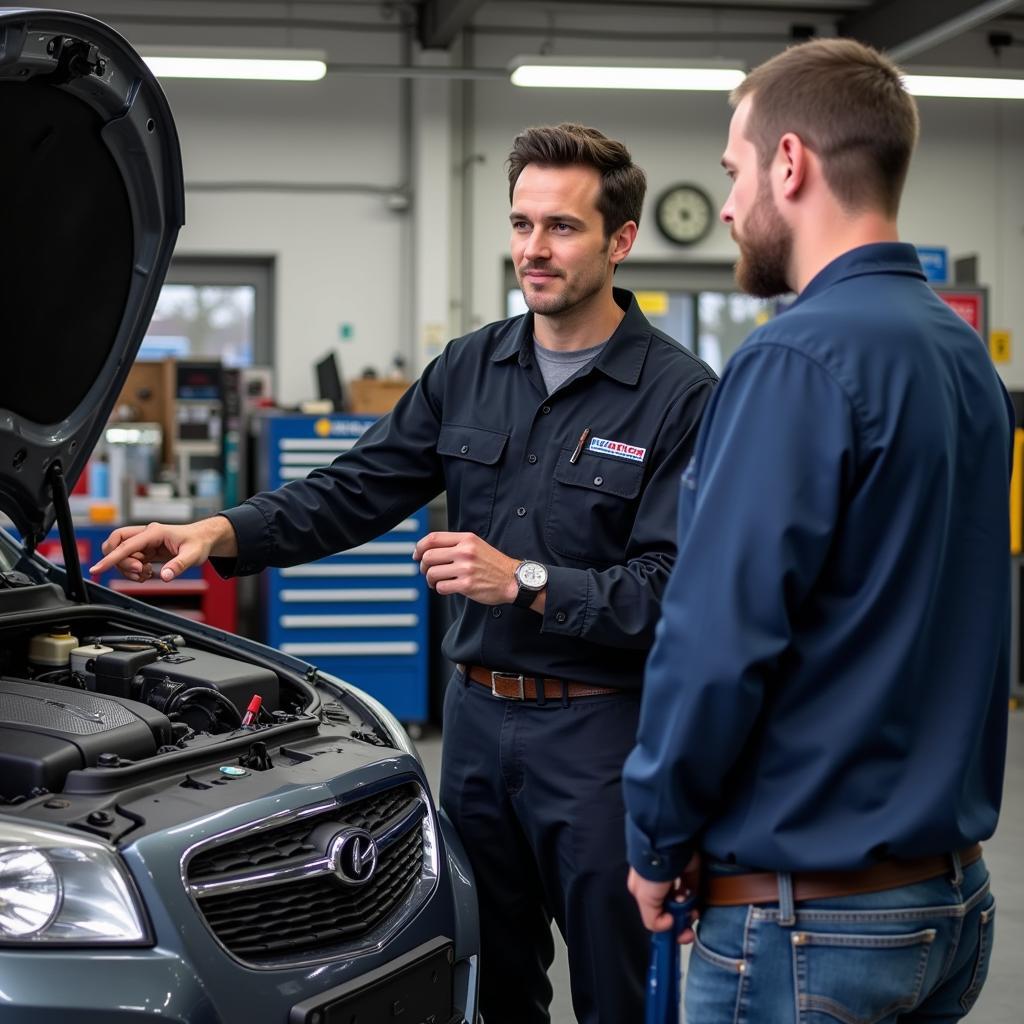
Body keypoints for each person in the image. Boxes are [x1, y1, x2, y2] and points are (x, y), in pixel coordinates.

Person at [91, 123, 717, 1024]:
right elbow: (354, 489)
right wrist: (216, 532)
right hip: (472, 731)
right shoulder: (471, 366)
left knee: (619, 984)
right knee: (487, 977)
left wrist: (529, 581)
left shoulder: (679, 395)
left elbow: (674, 588)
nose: (534, 250)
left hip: (601, 739)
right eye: (521, 223)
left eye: (563, 228)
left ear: (620, 241)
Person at [623, 38, 1013, 1023]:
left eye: (731, 169)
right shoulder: (961, 354)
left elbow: (715, 638)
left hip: (808, 931)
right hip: (949, 901)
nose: (722, 202)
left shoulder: (795, 358)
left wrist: (654, 839)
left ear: (788, 163)